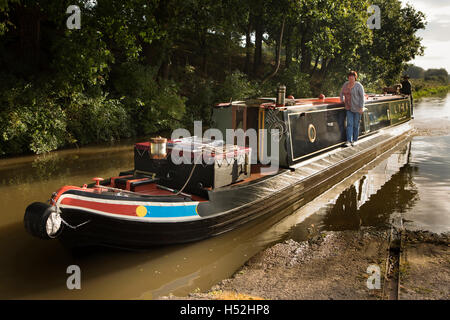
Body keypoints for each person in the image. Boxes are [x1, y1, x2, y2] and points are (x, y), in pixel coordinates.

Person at [340, 71, 365, 147]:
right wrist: (342, 99)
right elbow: (341, 92)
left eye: (352, 77)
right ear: (348, 78)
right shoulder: (345, 84)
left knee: (355, 125)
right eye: (350, 77)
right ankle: (348, 140)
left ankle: (355, 140)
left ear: (355, 78)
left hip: (357, 108)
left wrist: (361, 107)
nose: (351, 78)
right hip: (349, 107)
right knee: (349, 124)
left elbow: (362, 97)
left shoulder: (359, 86)